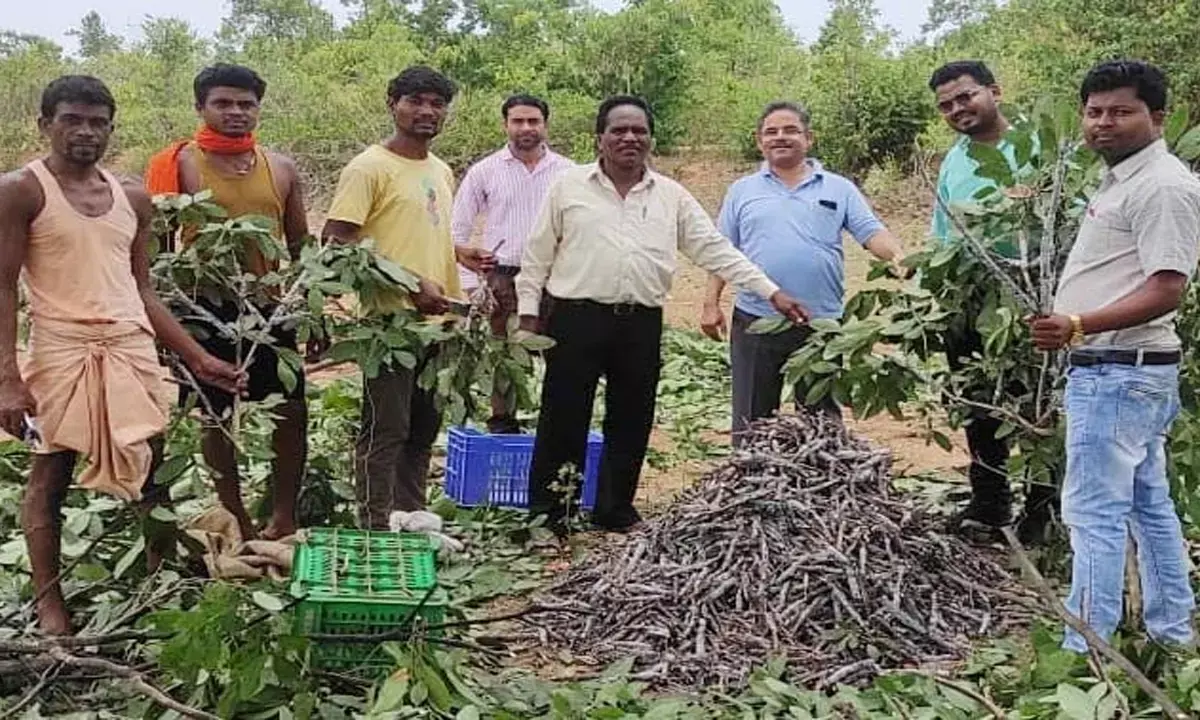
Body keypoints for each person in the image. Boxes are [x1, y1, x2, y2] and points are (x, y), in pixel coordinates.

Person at [0, 76, 243, 634]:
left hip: (130, 351)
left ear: (111, 128)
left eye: (97, 122)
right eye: (71, 120)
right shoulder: (22, 190)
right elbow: (4, 288)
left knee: (151, 471)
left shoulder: (132, 196)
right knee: (49, 478)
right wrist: (8, 378)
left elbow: (143, 289)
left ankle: (159, 582)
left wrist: (197, 358)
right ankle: (50, 607)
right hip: (61, 353)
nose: (85, 132)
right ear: (44, 125)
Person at [517, 95, 807, 534]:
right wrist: (526, 315)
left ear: (651, 139)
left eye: (639, 131)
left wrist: (770, 291)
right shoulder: (568, 186)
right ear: (600, 138)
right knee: (563, 417)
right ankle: (551, 513)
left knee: (632, 417)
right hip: (575, 319)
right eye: (619, 130)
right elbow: (537, 255)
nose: (630, 138)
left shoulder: (671, 195)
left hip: (640, 322)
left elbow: (714, 248)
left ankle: (614, 510)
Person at [1029, 59, 1200, 652]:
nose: (1103, 123)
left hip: (1119, 372)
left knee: (1092, 513)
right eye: (1094, 111)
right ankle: (1171, 633)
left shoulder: (1164, 186)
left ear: (1158, 117)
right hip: (1122, 372)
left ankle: (1088, 650)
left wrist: (1077, 323)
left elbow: (1167, 287)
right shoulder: (1124, 177)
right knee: (1148, 505)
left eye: (1121, 112)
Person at [145, 63, 310, 541]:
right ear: (201, 108)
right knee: (215, 415)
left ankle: (283, 515)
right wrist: (167, 325)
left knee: (291, 410)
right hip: (203, 310)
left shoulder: (280, 167)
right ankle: (234, 513)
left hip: (270, 307)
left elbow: (300, 243)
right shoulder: (178, 164)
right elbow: (157, 251)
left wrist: (312, 307)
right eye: (223, 103)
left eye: (246, 104)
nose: (236, 112)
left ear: (258, 108)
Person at [322, 66, 491, 529]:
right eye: (415, 100)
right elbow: (336, 245)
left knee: (422, 430)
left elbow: (405, 234)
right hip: (389, 327)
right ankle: (374, 528)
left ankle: (411, 519)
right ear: (392, 103)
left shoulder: (439, 169)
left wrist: (459, 254)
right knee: (386, 432)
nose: (427, 111)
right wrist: (411, 285)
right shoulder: (368, 168)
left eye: (437, 103)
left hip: (438, 325)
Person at [701, 101, 905, 444]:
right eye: (771, 132)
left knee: (821, 420)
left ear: (809, 138)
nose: (780, 137)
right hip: (756, 318)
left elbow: (871, 233)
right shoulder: (742, 191)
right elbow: (723, 251)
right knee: (752, 418)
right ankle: (753, 489)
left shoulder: (839, 188)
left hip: (821, 323)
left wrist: (900, 258)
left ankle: (821, 489)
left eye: (791, 130)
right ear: (759, 141)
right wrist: (710, 303)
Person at [928, 60, 1057, 541]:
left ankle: (1043, 511)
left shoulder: (1038, 145)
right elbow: (944, 231)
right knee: (976, 400)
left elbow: (1072, 208)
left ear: (994, 91)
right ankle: (990, 503)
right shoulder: (954, 159)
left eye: (965, 97)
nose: (957, 109)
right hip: (970, 295)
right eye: (946, 105)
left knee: (1037, 404)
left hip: (1032, 292)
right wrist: (937, 291)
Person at [450, 94, 573, 434]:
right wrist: (472, 284)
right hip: (502, 279)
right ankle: (503, 426)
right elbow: (458, 229)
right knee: (504, 357)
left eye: (533, 121)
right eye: (518, 121)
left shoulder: (569, 173)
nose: (526, 128)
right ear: (505, 125)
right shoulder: (485, 171)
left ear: (545, 125)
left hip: (555, 278)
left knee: (561, 354)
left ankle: (558, 428)